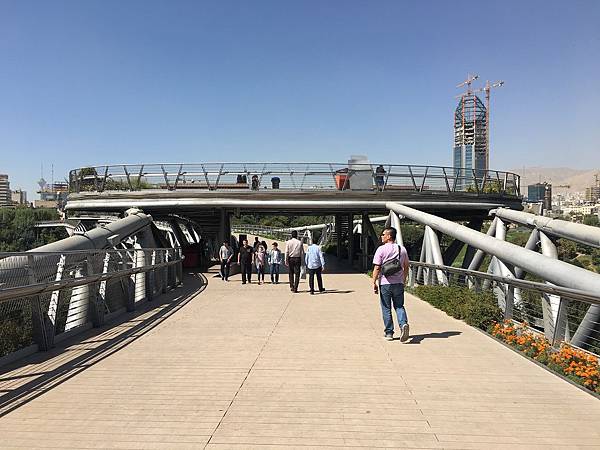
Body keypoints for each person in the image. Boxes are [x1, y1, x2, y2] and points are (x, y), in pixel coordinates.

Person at [372, 227, 410, 342]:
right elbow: (406, 265)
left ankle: (389, 333)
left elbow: (377, 267)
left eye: (383, 234)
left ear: (389, 236)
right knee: (399, 306)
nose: (381, 236)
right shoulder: (401, 249)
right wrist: (403, 279)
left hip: (385, 283)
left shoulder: (381, 249)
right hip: (398, 283)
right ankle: (403, 324)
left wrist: (373, 282)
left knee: (386, 308)